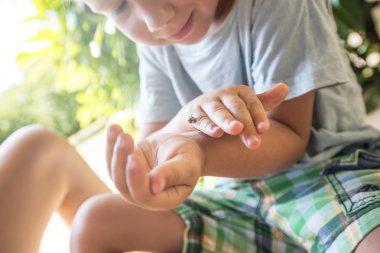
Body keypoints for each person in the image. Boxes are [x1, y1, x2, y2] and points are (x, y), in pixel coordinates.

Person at [1, 0, 380, 252]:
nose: (155, 18)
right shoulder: (157, 44)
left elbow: (291, 137)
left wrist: (197, 149)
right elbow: (157, 144)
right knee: (93, 220)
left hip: (330, 174)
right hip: (243, 202)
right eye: (118, 6)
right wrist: (154, 172)